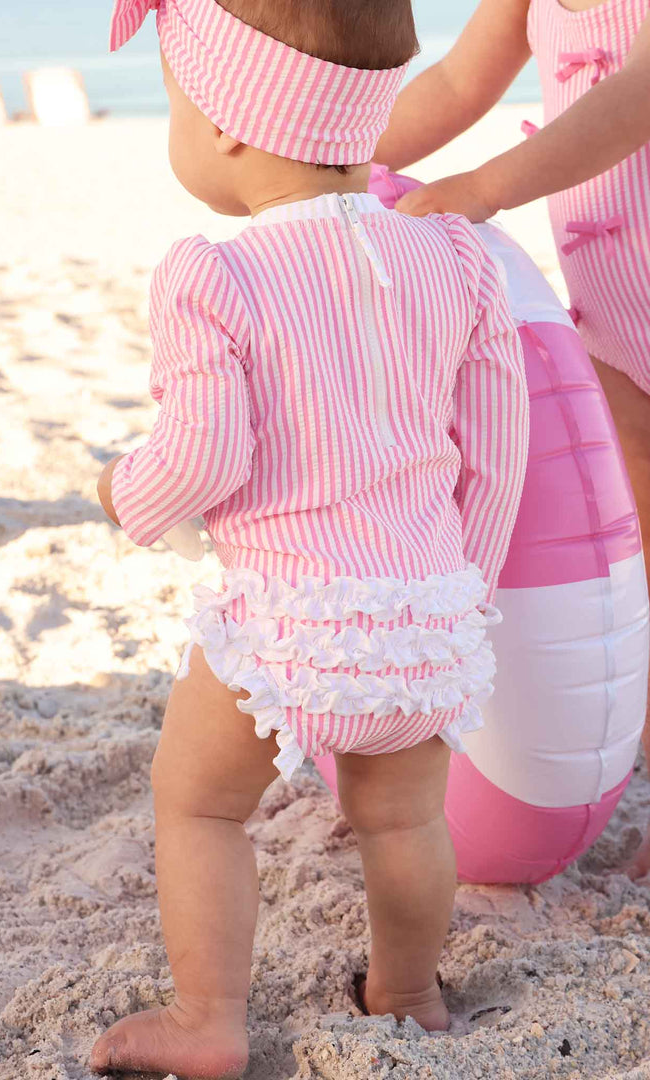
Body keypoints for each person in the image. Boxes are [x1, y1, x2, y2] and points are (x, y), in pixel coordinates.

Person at [91, 0, 529, 1074]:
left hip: (291, 623)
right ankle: (409, 992)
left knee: (198, 807)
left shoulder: (214, 273)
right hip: (426, 620)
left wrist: (126, 494)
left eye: (178, 102)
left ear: (233, 125)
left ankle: (209, 1021)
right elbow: (500, 445)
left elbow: (201, 458)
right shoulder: (457, 260)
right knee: (403, 825)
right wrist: (453, 587)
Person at [374, 0, 650, 880]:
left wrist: (484, 189)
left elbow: (637, 93)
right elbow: (459, 80)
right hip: (614, 309)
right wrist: (330, 143)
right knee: (642, 543)